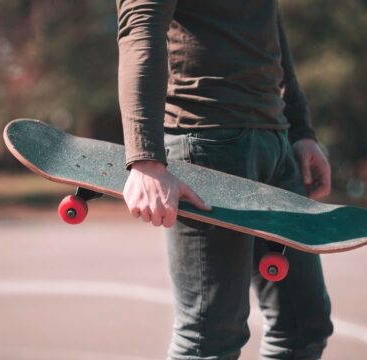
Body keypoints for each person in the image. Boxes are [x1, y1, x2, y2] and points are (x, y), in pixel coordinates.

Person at [116, 0, 334, 358]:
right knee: (210, 337)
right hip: (206, 141)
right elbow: (140, 27)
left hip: (274, 138)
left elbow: (269, 24)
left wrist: (301, 129)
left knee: (303, 326)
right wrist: (146, 159)